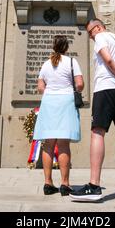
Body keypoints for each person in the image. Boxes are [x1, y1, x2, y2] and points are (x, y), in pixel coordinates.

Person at [69, 19, 115, 202]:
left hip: (106, 89)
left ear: (99, 27)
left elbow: (108, 60)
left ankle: (94, 186)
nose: (91, 37)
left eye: (91, 32)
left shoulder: (102, 37)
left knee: (97, 133)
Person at [33, 35, 84, 196]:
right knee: (63, 144)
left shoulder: (46, 64)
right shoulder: (71, 62)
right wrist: (76, 89)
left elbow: (41, 87)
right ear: (66, 47)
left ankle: (48, 183)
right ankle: (65, 184)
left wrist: (51, 89)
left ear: (53, 46)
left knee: (48, 144)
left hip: (49, 102)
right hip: (66, 101)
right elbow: (80, 84)